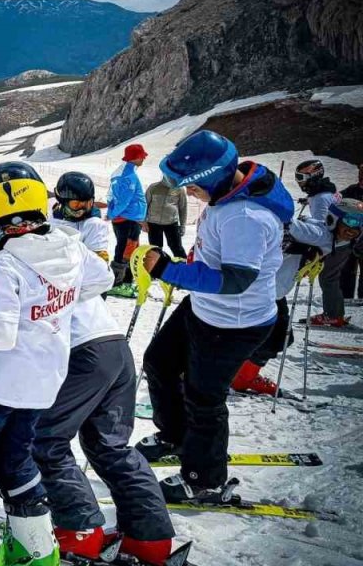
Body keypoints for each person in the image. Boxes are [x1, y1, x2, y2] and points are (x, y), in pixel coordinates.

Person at [0, 162, 114, 566]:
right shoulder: (69, 244)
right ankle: (36, 546)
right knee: (14, 458)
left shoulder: (4, 263)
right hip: (45, 381)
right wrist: (56, 305)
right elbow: (103, 279)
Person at [136, 130, 292, 505]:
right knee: (159, 362)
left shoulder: (246, 217)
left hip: (234, 322)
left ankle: (205, 480)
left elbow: (235, 280)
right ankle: (176, 435)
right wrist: (186, 265)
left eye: (193, 187)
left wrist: (169, 272)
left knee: (203, 398)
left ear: (212, 178)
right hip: (204, 307)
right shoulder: (227, 197)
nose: (190, 194)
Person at [34, 172, 176, 565]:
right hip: (114, 347)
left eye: (85, 203)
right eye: (75, 203)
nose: (81, 209)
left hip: (84, 352)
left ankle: (80, 531)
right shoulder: (58, 239)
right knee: (108, 445)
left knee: (45, 439)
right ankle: (150, 538)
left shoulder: (31, 248)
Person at [293, 159, 350, 326]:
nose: (298, 181)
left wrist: (305, 223)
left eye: (301, 177)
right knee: (330, 277)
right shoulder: (326, 190)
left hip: (335, 244)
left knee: (328, 278)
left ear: (314, 175)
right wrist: (309, 201)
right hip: (343, 239)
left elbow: (322, 229)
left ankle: (333, 315)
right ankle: (335, 313)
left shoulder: (320, 198)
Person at [106, 144, 148, 298]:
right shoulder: (127, 176)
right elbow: (123, 200)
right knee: (126, 251)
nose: (144, 159)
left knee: (131, 250)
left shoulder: (126, 173)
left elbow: (114, 197)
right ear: (135, 157)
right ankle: (119, 284)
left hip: (130, 218)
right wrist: (112, 214)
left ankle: (126, 282)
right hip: (126, 219)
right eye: (142, 156)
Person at [144, 176, 189, 259]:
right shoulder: (153, 187)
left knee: (177, 248)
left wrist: (183, 226)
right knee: (155, 249)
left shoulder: (180, 189)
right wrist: (143, 222)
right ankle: (158, 266)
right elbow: (145, 205)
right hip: (153, 223)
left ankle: (183, 265)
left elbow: (183, 208)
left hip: (172, 223)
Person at [341, 164, 363, 301]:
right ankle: (346, 298)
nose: (361, 178)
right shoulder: (351, 190)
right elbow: (336, 199)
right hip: (350, 236)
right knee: (347, 269)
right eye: (360, 175)